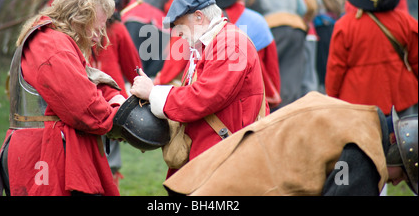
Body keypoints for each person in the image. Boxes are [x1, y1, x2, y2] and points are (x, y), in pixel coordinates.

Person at [0, 0, 125, 196]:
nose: (100, 37)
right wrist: (118, 112)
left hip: (37, 147)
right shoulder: (52, 45)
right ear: (79, 18)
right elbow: (85, 109)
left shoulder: (51, 40)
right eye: (98, 28)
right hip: (40, 152)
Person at [162, 91, 418, 196]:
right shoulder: (364, 153)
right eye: (403, 174)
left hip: (204, 180)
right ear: (394, 150)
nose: (395, 182)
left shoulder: (354, 117)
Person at [130, 0, 269, 177]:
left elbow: (204, 97)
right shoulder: (210, 43)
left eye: (180, 25)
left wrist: (152, 93)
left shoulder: (231, 43)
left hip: (225, 156)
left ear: (198, 17)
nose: (178, 33)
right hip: (213, 154)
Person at [326, 0, 418, 117]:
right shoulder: (405, 21)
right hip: (401, 97)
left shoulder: (345, 26)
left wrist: (332, 99)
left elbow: (335, 70)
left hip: (358, 102)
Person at [82, 0, 143, 189]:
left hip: (108, 101)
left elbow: (134, 69)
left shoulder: (115, 29)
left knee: (108, 158)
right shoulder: (115, 28)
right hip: (91, 99)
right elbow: (135, 68)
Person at [247, 0, 309, 109]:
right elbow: (302, 9)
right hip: (297, 28)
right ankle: (290, 114)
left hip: (271, 30)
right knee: (290, 77)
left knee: (269, 76)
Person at [215, 0, 281, 108]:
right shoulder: (258, 21)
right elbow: (271, 65)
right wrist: (273, 91)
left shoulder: (210, 19)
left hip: (216, 95)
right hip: (251, 98)